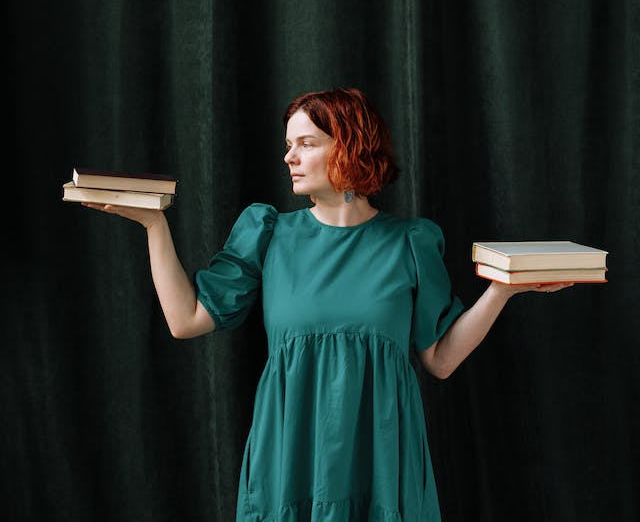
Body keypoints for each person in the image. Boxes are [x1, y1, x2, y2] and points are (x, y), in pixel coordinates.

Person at [83, 87, 573, 521]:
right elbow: (185, 320)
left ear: (351, 147)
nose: (289, 158)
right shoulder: (269, 234)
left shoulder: (410, 242)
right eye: (288, 146)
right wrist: (154, 225)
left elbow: (440, 360)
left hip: (381, 465)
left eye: (306, 144)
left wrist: (501, 290)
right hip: (289, 460)